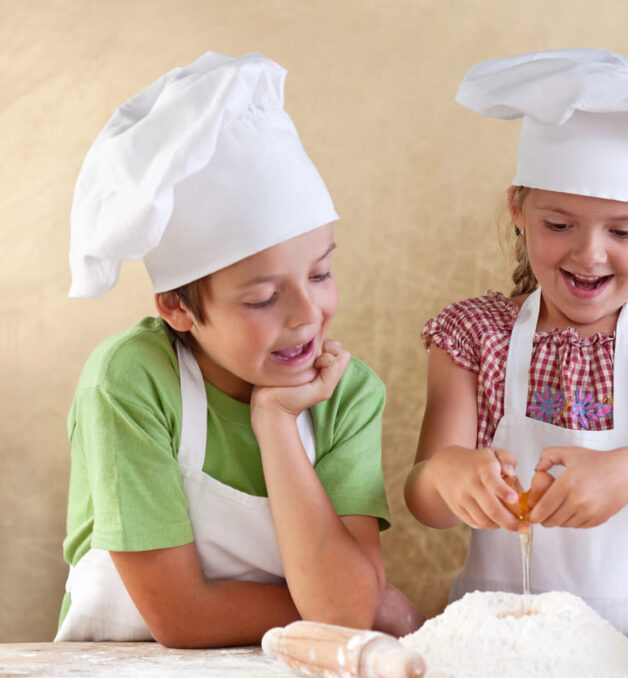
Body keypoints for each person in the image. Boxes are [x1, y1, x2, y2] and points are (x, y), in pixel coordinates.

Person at [57, 51, 422, 647]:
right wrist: (352, 606)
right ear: (178, 308)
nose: (307, 316)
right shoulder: (129, 382)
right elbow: (181, 618)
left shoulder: (347, 393)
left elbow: (346, 610)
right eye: (261, 299)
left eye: (321, 274)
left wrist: (276, 421)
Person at [404, 49, 628, 638]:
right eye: (559, 225)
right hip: (505, 645)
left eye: (622, 230)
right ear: (520, 211)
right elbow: (424, 498)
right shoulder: (473, 335)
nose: (589, 254)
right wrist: (447, 474)